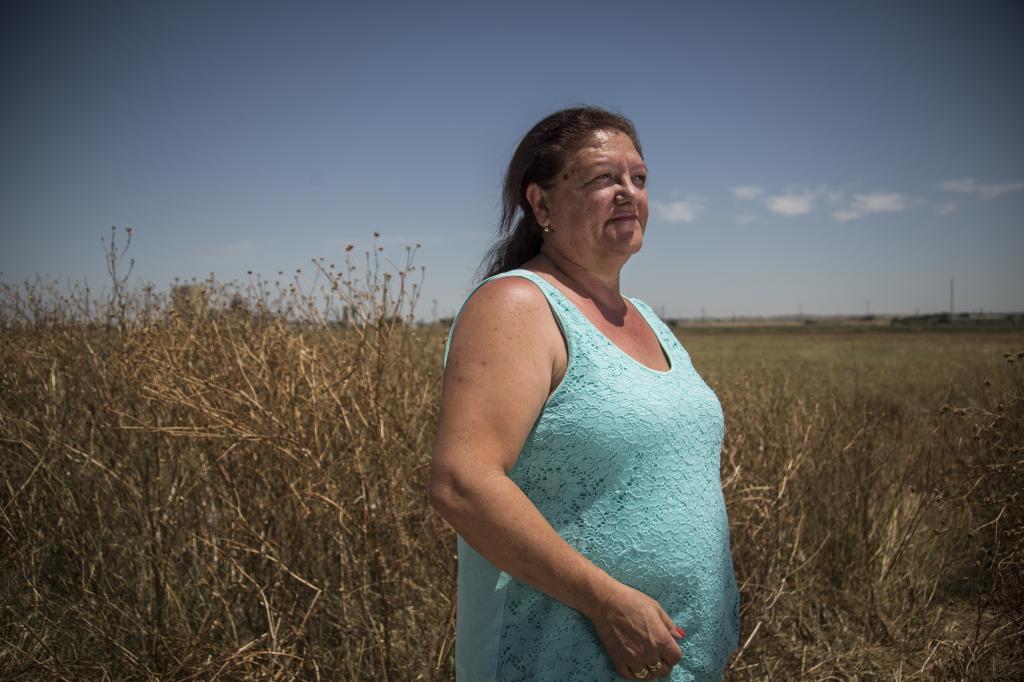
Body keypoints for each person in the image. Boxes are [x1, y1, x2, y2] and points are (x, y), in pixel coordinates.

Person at [429, 106, 740, 681]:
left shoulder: (646, 317)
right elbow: (463, 483)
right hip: (563, 656)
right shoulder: (518, 305)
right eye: (603, 179)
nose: (628, 193)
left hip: (675, 657)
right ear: (542, 204)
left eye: (638, 179)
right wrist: (605, 600)